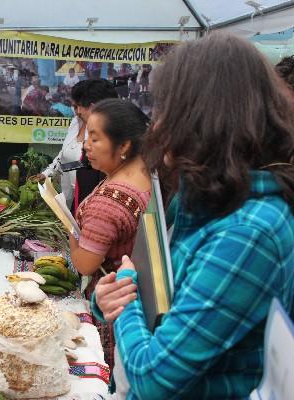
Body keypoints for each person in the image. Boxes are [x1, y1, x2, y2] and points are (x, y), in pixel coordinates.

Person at [95, 34, 294, 399]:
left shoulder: (248, 231)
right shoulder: (208, 198)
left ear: (205, 117)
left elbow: (154, 377)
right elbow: (168, 297)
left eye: (168, 110)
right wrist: (112, 296)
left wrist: (125, 297)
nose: (156, 128)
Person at [69, 98, 151, 372]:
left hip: (111, 312)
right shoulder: (145, 175)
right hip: (134, 303)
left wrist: (70, 227)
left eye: (95, 138)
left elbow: (85, 264)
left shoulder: (110, 201)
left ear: (124, 145)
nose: (86, 146)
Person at [36, 79, 117, 209]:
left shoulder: (108, 137)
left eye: (77, 106)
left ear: (93, 107)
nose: (76, 111)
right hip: (70, 198)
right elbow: (64, 153)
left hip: (89, 202)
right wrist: (48, 173)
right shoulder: (76, 122)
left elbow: (86, 166)